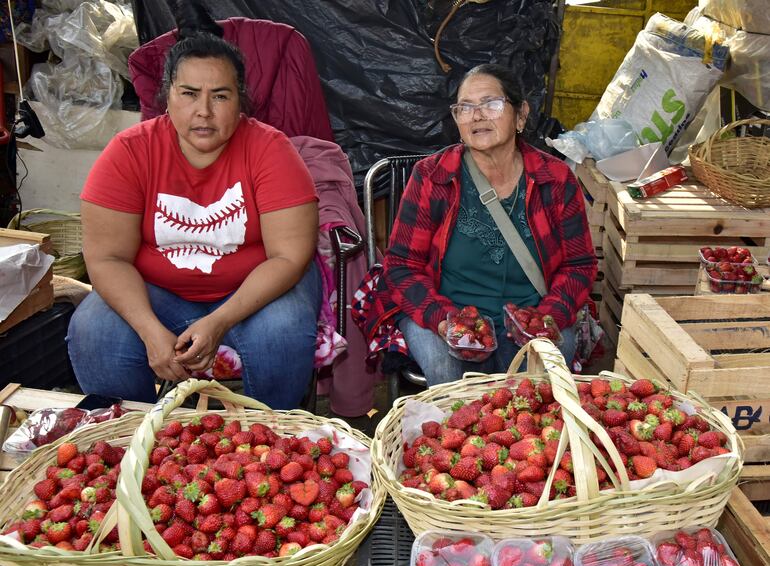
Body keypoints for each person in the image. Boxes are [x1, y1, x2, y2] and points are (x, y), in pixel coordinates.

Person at [66, 2, 322, 408]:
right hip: (159, 292)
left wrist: (219, 321)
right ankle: (137, 441)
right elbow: (107, 258)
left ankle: (273, 437)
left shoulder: (271, 150)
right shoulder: (130, 152)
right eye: (188, 94)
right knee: (92, 329)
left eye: (220, 96)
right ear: (167, 95)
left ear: (241, 101)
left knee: (284, 330)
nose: (203, 111)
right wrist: (151, 331)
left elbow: (289, 257)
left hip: (255, 292)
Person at [359, 64, 597, 386]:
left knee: (543, 370)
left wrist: (547, 317)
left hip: (533, 312)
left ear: (521, 115)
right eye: (465, 108)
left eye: (491, 104)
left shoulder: (554, 179)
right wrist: (443, 321)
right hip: (445, 313)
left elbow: (579, 264)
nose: (477, 116)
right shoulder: (434, 176)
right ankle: (449, 431)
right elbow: (401, 265)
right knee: (447, 371)